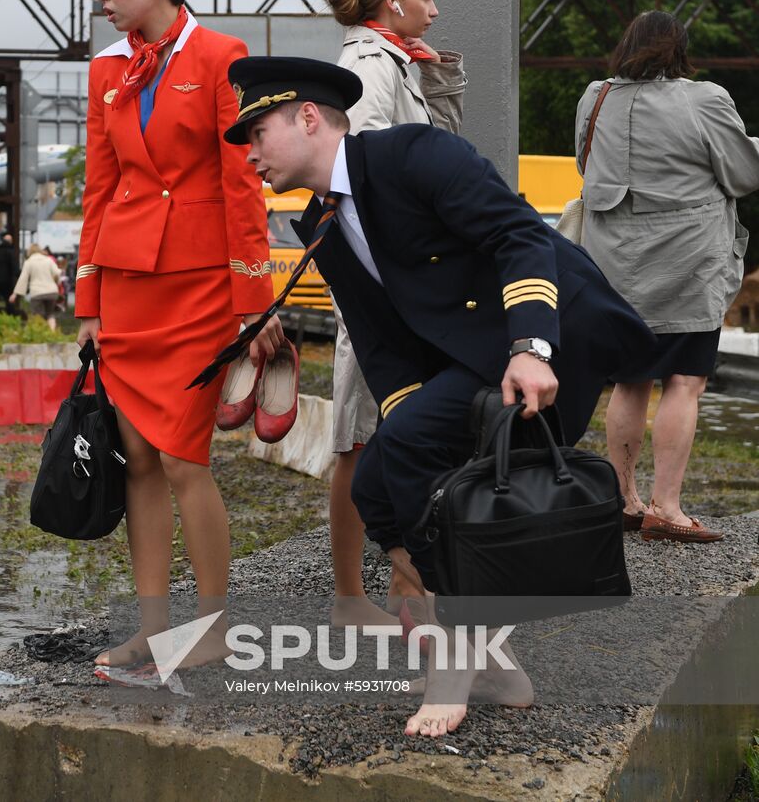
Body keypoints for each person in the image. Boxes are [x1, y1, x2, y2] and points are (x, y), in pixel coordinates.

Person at [230, 55, 652, 737]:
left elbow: (517, 234)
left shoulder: (412, 153)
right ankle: (494, 658)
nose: (249, 155)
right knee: (378, 483)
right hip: (479, 353)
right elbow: (380, 344)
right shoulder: (324, 223)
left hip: (552, 332)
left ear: (307, 117)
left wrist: (530, 347)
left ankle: (455, 653)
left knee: (430, 467)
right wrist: (406, 449)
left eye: (256, 134)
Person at [75, 0, 280, 673]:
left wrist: (253, 300)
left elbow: (243, 186)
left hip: (200, 290)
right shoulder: (104, 70)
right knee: (136, 457)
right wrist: (88, 305)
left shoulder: (223, 57)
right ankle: (153, 628)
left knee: (184, 455)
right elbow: (99, 191)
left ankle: (215, 625)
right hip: (128, 287)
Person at [324, 0, 466, 627]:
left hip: (399, 281)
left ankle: (394, 593)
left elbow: (441, 153)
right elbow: (371, 167)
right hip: (384, 284)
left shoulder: (394, 61)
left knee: (386, 432)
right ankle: (355, 597)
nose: (435, 10)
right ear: (393, 3)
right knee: (359, 436)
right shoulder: (368, 65)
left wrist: (436, 78)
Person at [577, 11, 759, 543]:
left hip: (615, 266)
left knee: (630, 380)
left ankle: (624, 501)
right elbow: (744, 174)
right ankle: (667, 507)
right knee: (686, 379)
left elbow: (585, 167)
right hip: (687, 264)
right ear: (679, 49)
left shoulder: (596, 97)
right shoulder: (703, 99)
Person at [10, 243, 64, 330]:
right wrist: (57, 284)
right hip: (52, 292)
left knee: (37, 315)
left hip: (37, 293)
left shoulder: (29, 262)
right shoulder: (48, 260)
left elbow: (23, 279)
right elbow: (57, 273)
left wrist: (15, 294)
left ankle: (40, 334)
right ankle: (53, 333)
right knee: (50, 314)